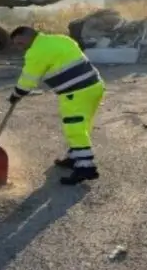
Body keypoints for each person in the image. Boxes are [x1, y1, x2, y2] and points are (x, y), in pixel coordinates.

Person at [8, 26, 105, 185]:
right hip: (95, 87)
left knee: (74, 129)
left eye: (19, 43)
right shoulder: (61, 38)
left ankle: (85, 167)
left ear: (26, 36)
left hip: (76, 93)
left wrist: (16, 95)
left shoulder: (36, 52)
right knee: (84, 125)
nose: (19, 47)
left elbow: (28, 80)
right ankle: (74, 157)